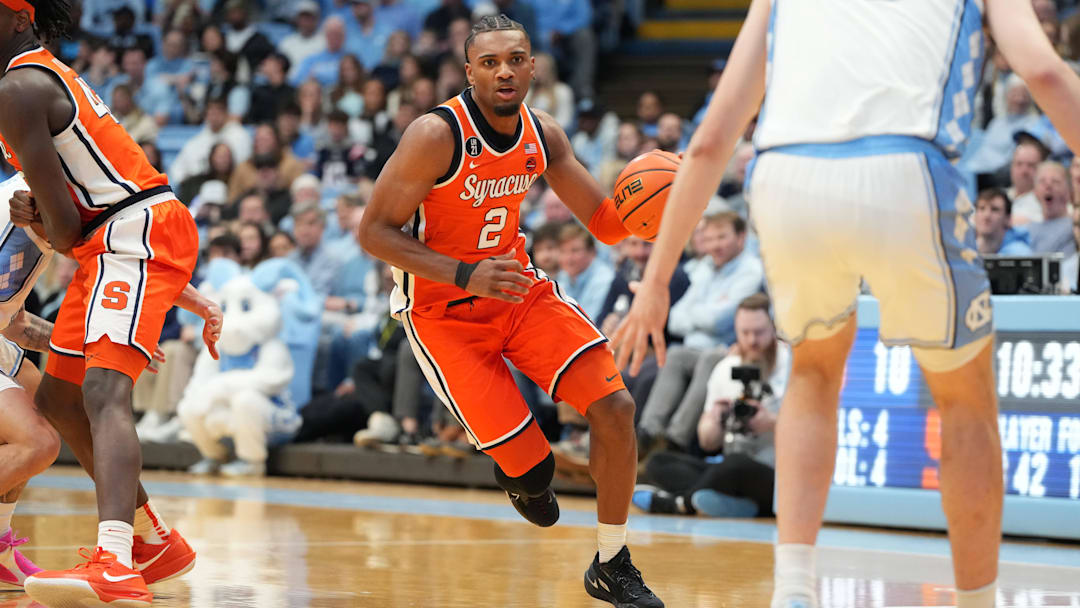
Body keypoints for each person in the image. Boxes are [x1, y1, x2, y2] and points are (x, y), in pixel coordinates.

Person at [613, 1, 1080, 607]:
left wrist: (654, 282)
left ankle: (795, 589)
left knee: (811, 371)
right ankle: (975, 601)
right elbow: (1042, 71)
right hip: (903, 163)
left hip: (785, 174)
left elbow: (710, 139)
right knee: (965, 400)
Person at [358, 15, 662, 608]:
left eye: (516, 59)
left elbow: (606, 224)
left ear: (532, 66)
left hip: (519, 294)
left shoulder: (542, 134)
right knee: (534, 473)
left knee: (616, 408)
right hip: (442, 313)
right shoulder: (434, 135)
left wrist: (665, 201)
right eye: (491, 62)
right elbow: (373, 233)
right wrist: (466, 273)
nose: (505, 71)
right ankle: (522, 475)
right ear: (469, 70)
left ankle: (612, 561)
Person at [0, 3, 220, 606]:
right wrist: (44, 217)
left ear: (20, 19)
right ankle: (153, 541)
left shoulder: (19, 87)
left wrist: (41, 218)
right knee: (59, 399)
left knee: (102, 392)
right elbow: (68, 223)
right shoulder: (28, 78)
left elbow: (65, 228)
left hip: (132, 231)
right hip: (113, 238)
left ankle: (115, 562)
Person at [974, 188, 1033, 256]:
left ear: (1008, 218)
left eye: (994, 209)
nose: (986, 215)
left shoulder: (1021, 254)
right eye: (982, 208)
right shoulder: (967, 250)